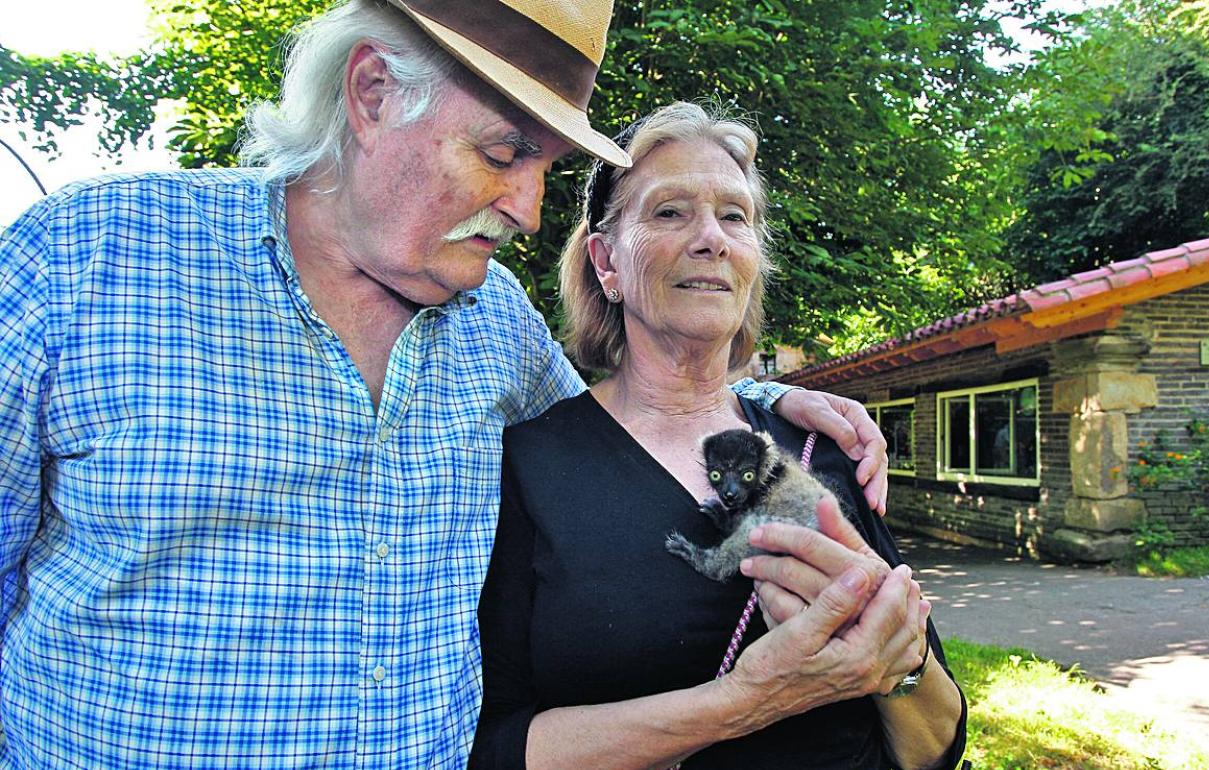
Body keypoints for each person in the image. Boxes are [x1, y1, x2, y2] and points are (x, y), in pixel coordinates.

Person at [0, 2, 890, 768]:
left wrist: (769, 409)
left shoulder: (495, 322)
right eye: (505, 152)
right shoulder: (84, 260)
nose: (529, 208)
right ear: (373, 92)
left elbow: (622, 430)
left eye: (544, 168)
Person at [470, 102, 967, 770]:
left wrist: (898, 661)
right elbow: (496, 748)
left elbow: (937, 743)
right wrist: (749, 700)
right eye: (669, 212)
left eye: (735, 216)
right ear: (606, 262)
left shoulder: (821, 447)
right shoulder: (530, 466)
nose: (712, 238)